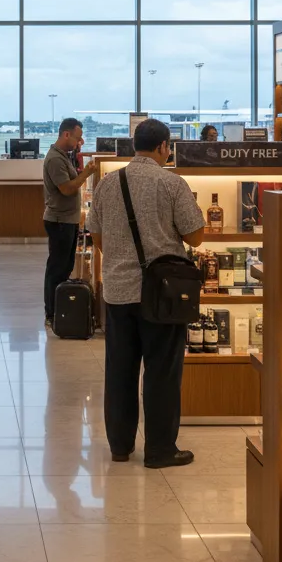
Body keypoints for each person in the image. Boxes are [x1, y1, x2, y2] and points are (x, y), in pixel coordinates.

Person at [88, 118, 205, 468]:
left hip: (118, 291)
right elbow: (195, 235)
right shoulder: (171, 183)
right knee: (162, 372)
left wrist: (122, 261)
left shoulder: (108, 183)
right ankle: (159, 449)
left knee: (120, 370)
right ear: (164, 147)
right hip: (163, 295)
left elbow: (96, 237)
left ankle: (120, 447)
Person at [42, 118, 98, 325]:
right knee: (57, 268)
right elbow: (66, 188)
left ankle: (59, 308)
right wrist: (87, 173)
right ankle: (52, 312)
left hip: (67, 219)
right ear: (66, 135)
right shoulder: (55, 159)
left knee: (65, 267)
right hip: (60, 221)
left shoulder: (63, 156)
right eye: (77, 137)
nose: (79, 142)